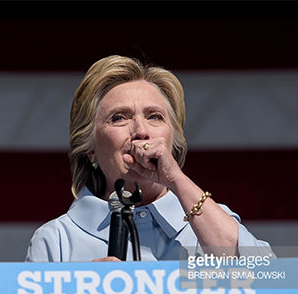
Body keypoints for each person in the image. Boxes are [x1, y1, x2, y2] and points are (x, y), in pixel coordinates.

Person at [26, 55, 272, 262]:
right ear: (90, 149)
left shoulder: (209, 221)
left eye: (155, 117)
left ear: (172, 142)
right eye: (119, 117)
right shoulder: (56, 240)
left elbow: (268, 287)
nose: (141, 130)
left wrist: (174, 178)